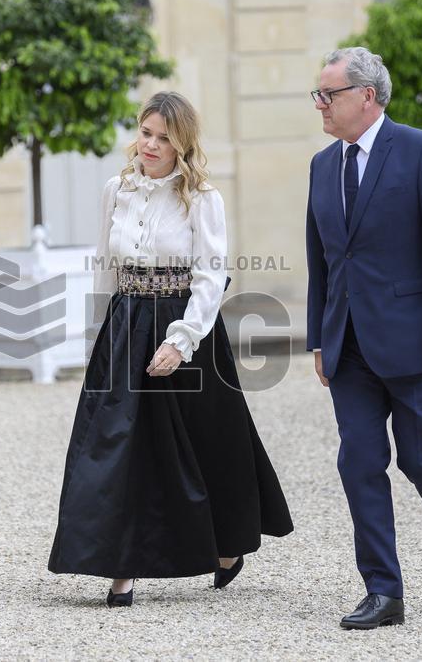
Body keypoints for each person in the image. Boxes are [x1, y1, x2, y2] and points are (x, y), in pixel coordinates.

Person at [48, 91, 293, 607]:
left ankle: (226, 546)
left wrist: (181, 341)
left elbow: (210, 276)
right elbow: (104, 269)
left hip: (186, 327)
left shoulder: (202, 198)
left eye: (164, 137)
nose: (151, 145)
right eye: (146, 132)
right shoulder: (116, 190)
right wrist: (100, 340)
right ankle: (122, 566)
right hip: (125, 324)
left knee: (209, 443)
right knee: (119, 445)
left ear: (182, 144)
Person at [305, 47, 422, 629]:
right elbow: (322, 260)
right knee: (358, 461)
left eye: (328, 95)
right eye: (317, 95)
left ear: (367, 96)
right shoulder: (321, 164)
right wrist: (319, 337)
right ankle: (384, 592)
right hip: (349, 346)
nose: (320, 105)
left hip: (417, 341)